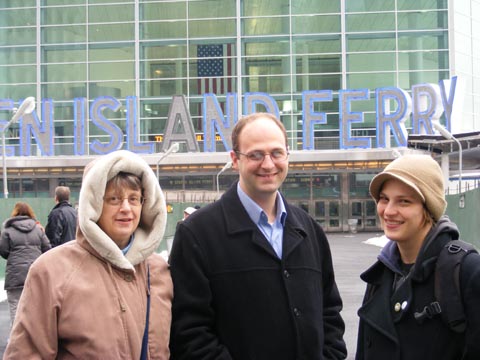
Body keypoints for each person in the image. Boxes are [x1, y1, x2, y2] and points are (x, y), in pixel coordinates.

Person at [169, 112, 347, 359]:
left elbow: (330, 314)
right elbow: (189, 332)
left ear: (287, 156)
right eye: (255, 154)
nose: (268, 164)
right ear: (234, 159)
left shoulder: (310, 231)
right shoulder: (197, 234)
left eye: (276, 153)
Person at [4, 150, 173, 359]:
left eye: (134, 198)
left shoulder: (159, 270)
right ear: (93, 204)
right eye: (113, 199)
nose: (126, 208)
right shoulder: (51, 271)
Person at [356, 154, 480, 360]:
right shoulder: (380, 276)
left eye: (404, 201)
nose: (389, 211)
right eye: (384, 199)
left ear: (428, 209)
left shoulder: (467, 271)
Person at [0, 202, 51, 326]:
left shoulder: (7, 230)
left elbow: (4, 252)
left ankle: (15, 339)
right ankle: (34, 338)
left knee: (15, 306)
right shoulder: (38, 229)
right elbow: (48, 249)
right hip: (35, 273)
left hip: (15, 275)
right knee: (36, 307)